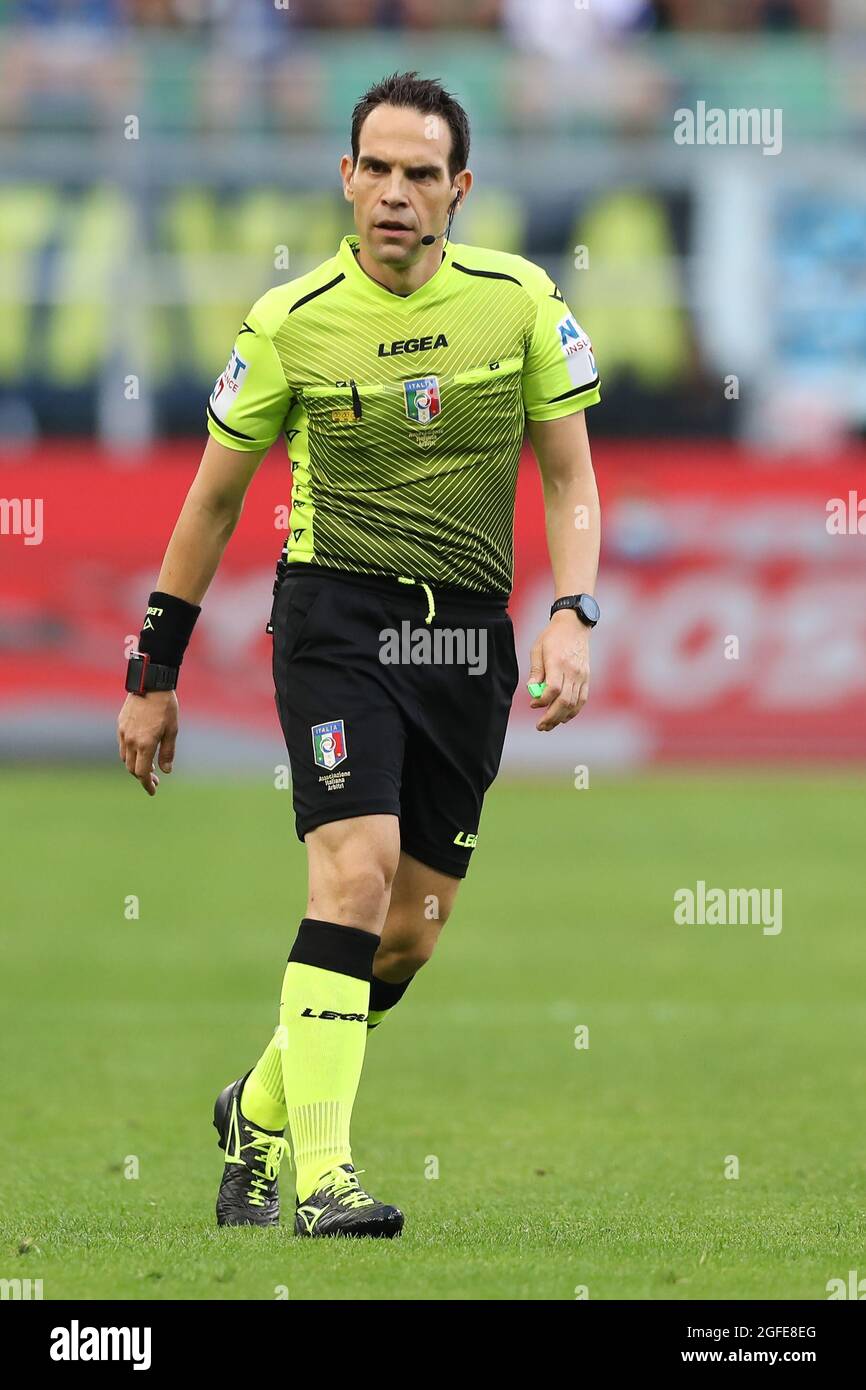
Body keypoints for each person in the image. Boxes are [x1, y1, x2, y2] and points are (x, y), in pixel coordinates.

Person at [116, 69, 601, 1238]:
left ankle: (258, 1105)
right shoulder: (291, 322)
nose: (393, 193)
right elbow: (210, 505)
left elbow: (570, 477)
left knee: (406, 930)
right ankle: (322, 1178)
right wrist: (153, 670)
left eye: (419, 174)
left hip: (466, 637)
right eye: (374, 169)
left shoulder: (520, 300)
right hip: (336, 619)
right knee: (351, 873)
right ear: (344, 177)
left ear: (458, 189)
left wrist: (572, 608)